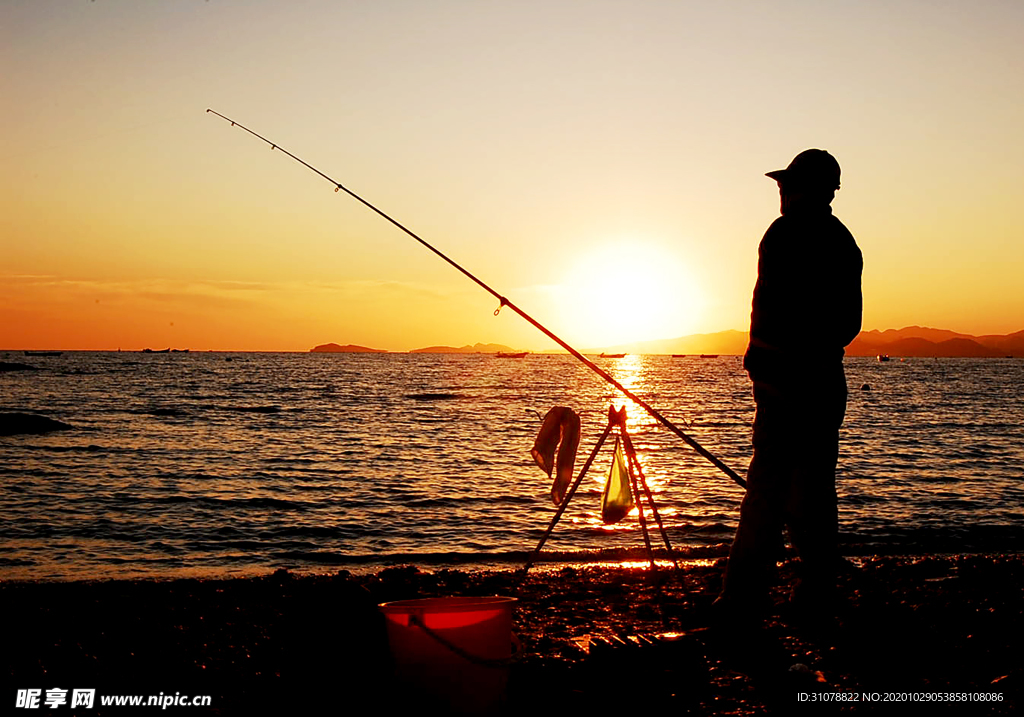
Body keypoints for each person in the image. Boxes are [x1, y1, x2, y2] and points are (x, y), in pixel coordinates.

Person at [718, 149, 863, 624]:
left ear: (813, 190)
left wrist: (768, 366)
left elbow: (770, 313)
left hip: (788, 383)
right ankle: (818, 588)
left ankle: (743, 596)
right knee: (814, 489)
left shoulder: (783, 235)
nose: (780, 191)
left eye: (788, 183)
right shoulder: (845, 243)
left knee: (767, 488)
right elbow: (847, 324)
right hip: (823, 382)